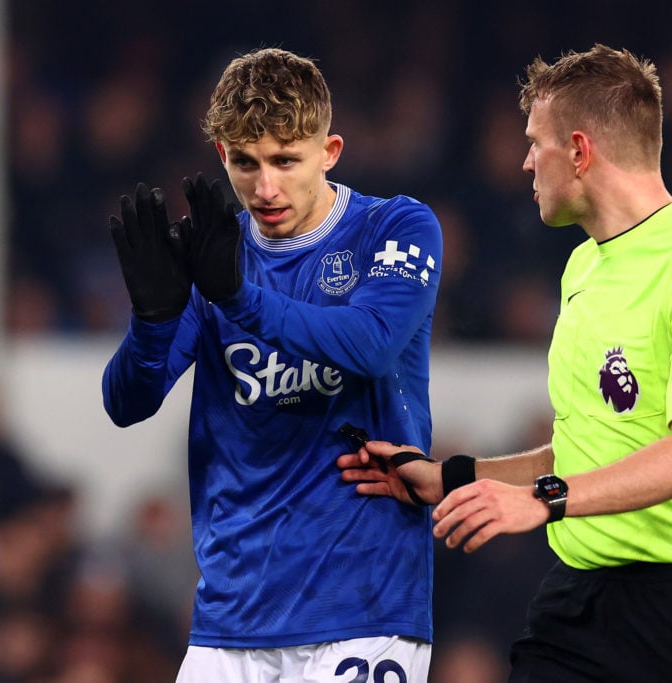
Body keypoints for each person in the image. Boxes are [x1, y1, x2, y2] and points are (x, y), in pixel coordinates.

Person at [340, 43, 672, 682]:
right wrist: (450, 477)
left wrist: (546, 501)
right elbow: (586, 451)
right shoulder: (582, 268)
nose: (524, 161)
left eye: (535, 142)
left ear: (579, 150)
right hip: (579, 609)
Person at [102, 47, 442, 682]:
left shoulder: (395, 227)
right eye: (245, 163)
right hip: (232, 615)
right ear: (221, 157)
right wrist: (151, 322)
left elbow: (370, 343)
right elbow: (127, 402)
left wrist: (238, 298)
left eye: (287, 161)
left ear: (330, 151)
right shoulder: (213, 257)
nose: (266, 187)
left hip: (363, 608)